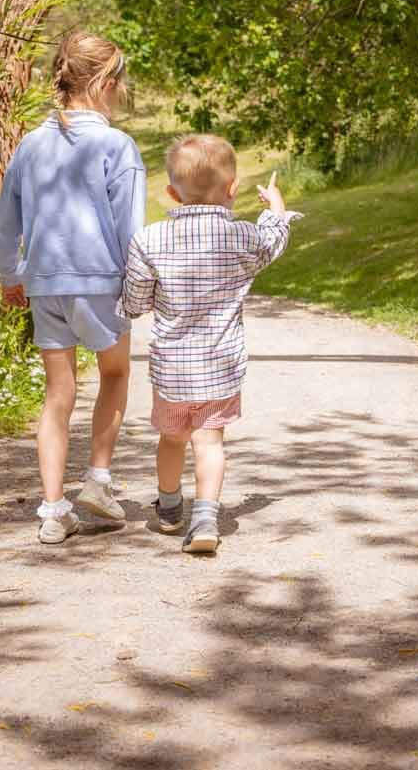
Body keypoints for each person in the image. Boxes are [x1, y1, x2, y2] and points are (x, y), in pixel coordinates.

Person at [0, 31, 146, 544]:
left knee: (57, 395)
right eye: (120, 81)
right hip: (99, 281)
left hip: (45, 284)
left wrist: (13, 275)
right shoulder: (115, 145)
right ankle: (98, 481)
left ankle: (53, 512)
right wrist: (140, 285)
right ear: (105, 82)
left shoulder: (31, 144)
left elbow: (4, 222)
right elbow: (131, 229)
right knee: (116, 374)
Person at [118, 134, 301, 554]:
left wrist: (128, 304)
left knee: (171, 439)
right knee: (210, 443)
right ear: (233, 188)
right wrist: (276, 208)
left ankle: (168, 509)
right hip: (220, 367)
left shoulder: (150, 241)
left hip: (172, 371)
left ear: (170, 192)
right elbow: (272, 242)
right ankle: (205, 519)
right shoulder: (241, 237)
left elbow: (135, 302)